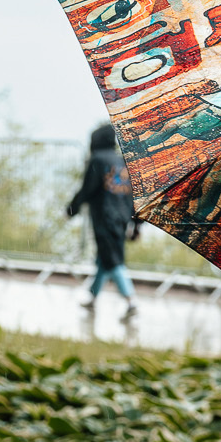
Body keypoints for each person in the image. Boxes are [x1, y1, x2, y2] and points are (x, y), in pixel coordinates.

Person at [66, 123, 138, 328]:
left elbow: (87, 189)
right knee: (104, 260)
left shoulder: (98, 159)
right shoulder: (122, 161)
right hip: (122, 218)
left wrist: (72, 209)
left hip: (104, 218)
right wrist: (136, 223)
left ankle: (131, 301)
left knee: (113, 261)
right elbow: (132, 194)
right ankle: (92, 297)